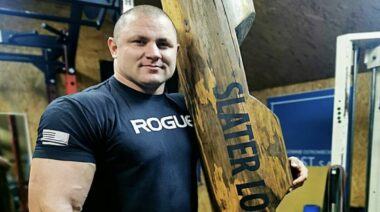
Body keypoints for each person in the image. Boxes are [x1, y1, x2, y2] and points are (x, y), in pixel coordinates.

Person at [28, 5, 308, 212]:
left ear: (175, 50)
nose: (154, 53)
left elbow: (234, 156)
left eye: (163, 44)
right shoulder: (77, 112)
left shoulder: (193, 107)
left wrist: (282, 167)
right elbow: (51, 206)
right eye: (139, 41)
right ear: (113, 47)